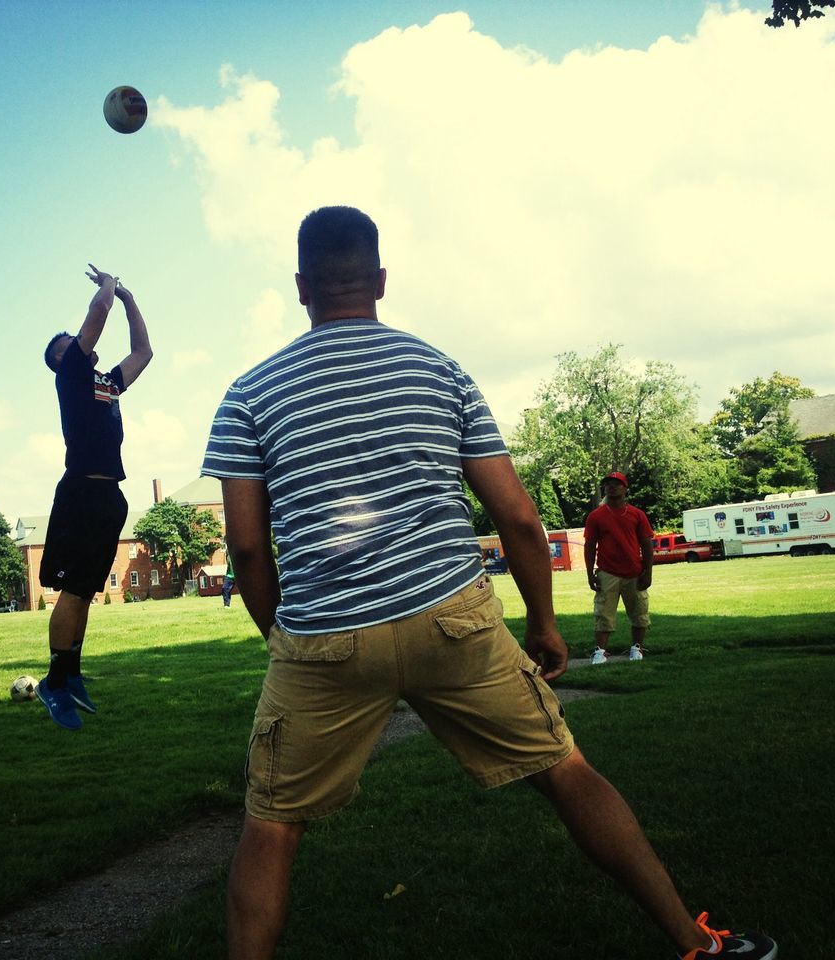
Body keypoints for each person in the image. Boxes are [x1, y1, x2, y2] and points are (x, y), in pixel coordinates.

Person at [201, 206, 775, 960]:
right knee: (566, 770)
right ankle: (697, 946)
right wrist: (542, 620)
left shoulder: (249, 393)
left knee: (271, 823)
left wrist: (280, 631)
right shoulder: (439, 369)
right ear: (378, 279)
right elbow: (519, 518)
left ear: (302, 286)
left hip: (325, 641)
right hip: (453, 621)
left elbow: (246, 547)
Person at [35, 264, 153, 731]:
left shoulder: (106, 384)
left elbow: (144, 351)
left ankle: (73, 673)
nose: (78, 346)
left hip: (110, 495)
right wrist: (110, 285)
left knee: (86, 591)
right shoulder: (70, 378)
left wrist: (129, 298)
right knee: (72, 590)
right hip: (81, 490)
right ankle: (53, 681)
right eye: (69, 347)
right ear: (62, 362)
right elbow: (97, 311)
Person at [583, 471, 654, 664]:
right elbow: (590, 546)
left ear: (625, 488)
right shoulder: (596, 516)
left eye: (616, 484)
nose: (611, 487)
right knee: (603, 613)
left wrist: (648, 572)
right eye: (608, 484)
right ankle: (600, 651)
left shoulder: (637, 515)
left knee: (639, 612)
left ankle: (637, 648)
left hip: (634, 572)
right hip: (607, 572)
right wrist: (590, 574)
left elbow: (647, 544)